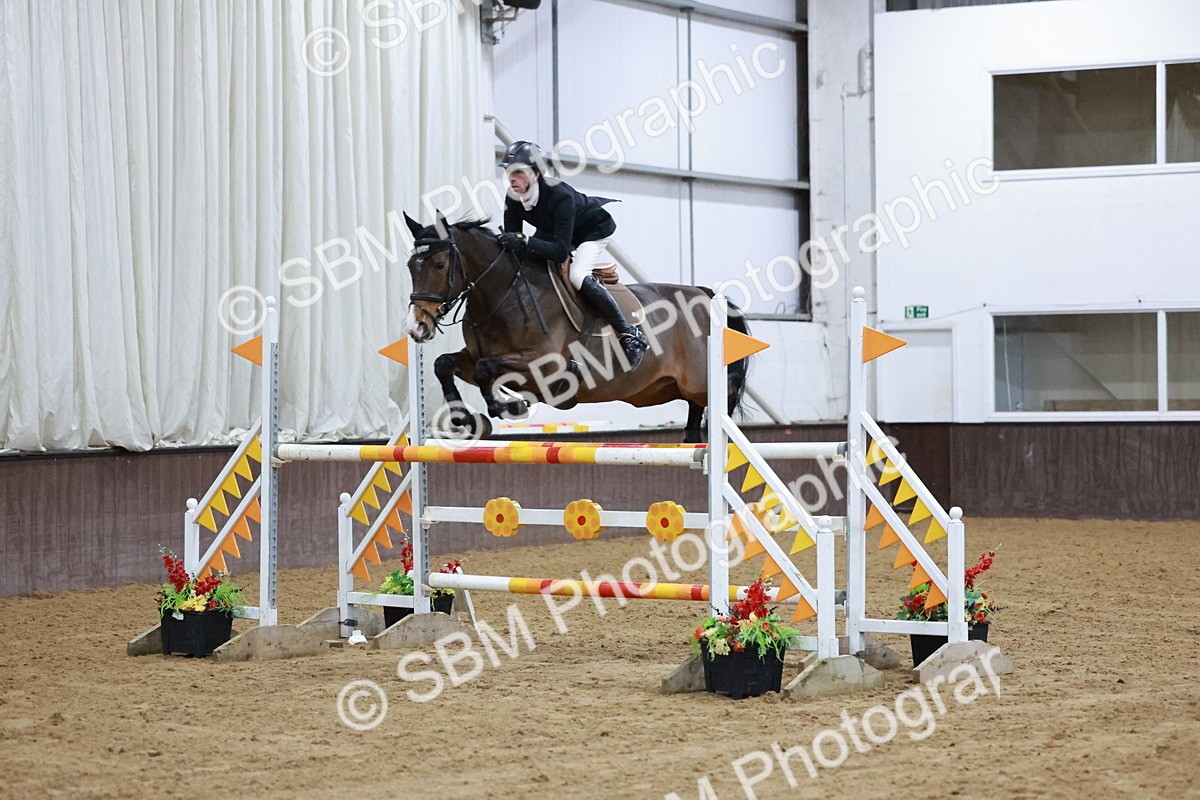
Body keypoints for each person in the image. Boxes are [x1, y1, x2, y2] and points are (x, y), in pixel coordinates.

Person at [497, 140, 648, 369]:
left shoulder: (561, 196)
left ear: (536, 174)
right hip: (555, 230)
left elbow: (559, 252)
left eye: (518, 172)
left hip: (593, 230)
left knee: (578, 276)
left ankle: (629, 334)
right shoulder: (512, 197)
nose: (512, 178)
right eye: (509, 172)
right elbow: (514, 243)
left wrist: (526, 241)